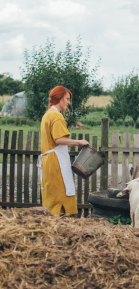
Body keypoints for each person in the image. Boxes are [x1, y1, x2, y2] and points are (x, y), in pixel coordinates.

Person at [38, 86, 89, 216]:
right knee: (60, 197)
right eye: (67, 99)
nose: (68, 102)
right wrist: (79, 142)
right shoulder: (56, 116)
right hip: (56, 163)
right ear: (59, 98)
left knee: (53, 196)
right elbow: (59, 140)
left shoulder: (47, 114)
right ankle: (58, 227)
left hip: (48, 161)